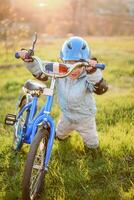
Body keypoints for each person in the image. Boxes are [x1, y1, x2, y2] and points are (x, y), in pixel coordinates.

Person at [19, 36, 108, 159]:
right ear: (63, 61)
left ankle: (93, 155)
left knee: (92, 143)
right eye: (69, 63)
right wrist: (29, 60)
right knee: (59, 135)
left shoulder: (88, 77)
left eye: (78, 64)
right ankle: (64, 139)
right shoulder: (60, 71)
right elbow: (42, 70)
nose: (73, 69)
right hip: (66, 116)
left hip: (85, 119)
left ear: (86, 63)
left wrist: (92, 71)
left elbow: (100, 88)